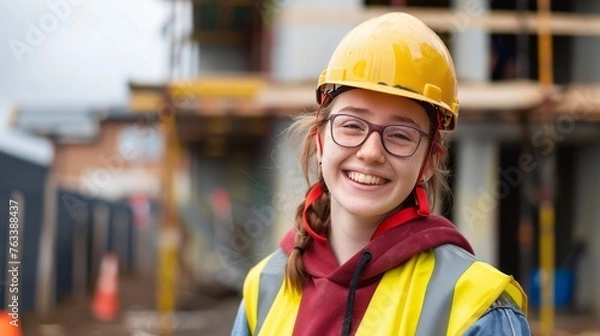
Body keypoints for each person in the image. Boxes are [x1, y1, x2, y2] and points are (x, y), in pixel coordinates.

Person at [231, 12, 530, 336]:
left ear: (430, 160)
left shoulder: (477, 305)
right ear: (320, 142)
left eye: (400, 134)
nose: (371, 152)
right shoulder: (263, 288)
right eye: (351, 126)